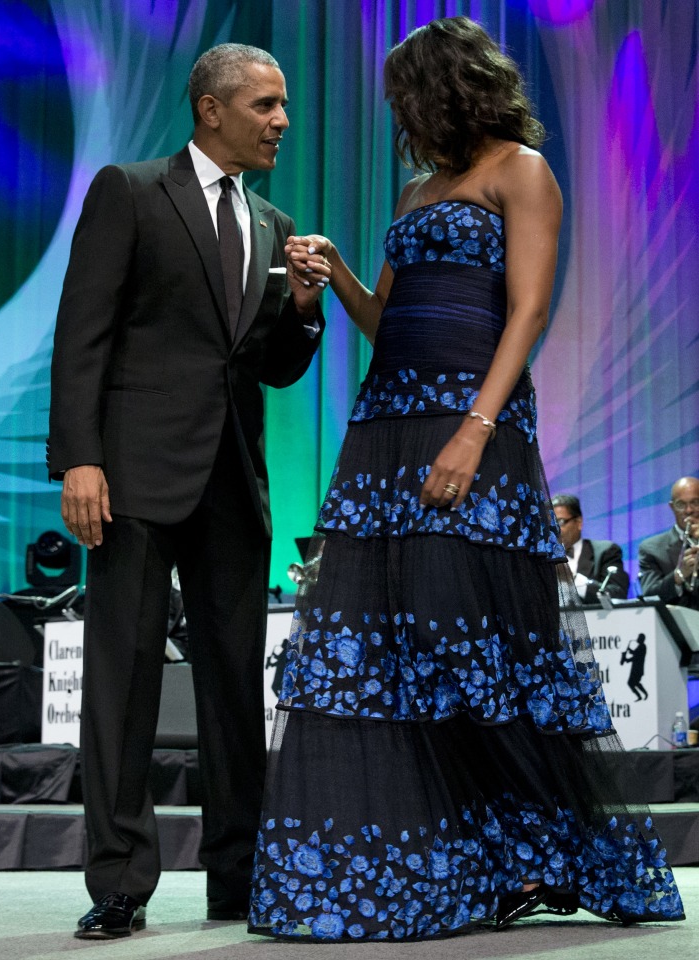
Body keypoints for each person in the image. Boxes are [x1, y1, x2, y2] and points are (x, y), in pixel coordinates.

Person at [248, 17, 684, 942]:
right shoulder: (417, 190)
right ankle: (464, 861)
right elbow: (389, 321)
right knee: (392, 651)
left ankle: (543, 852)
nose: (401, 117)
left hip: (471, 427)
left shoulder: (519, 169)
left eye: (409, 98)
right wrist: (334, 278)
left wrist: (475, 431)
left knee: (467, 642)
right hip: (387, 429)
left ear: (449, 89)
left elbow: (526, 310)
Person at [47, 43, 329, 939]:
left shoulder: (274, 221)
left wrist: (304, 310)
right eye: (266, 104)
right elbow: (81, 335)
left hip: (233, 484)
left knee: (234, 692)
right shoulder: (129, 191)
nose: (282, 119)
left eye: (284, 105)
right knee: (122, 684)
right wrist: (79, 460)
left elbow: (272, 371)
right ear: (212, 109)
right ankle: (119, 885)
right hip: (130, 476)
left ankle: (237, 882)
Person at [551, 494, 629, 603]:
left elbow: (617, 593)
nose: (554, 529)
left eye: (560, 522)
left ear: (579, 523)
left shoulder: (605, 551)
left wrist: (572, 578)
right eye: (550, 524)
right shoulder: (539, 557)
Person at [638, 476, 699, 610]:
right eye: (681, 505)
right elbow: (649, 596)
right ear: (672, 507)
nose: (689, 510)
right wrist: (679, 575)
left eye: (695, 502)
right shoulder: (651, 548)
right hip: (675, 628)